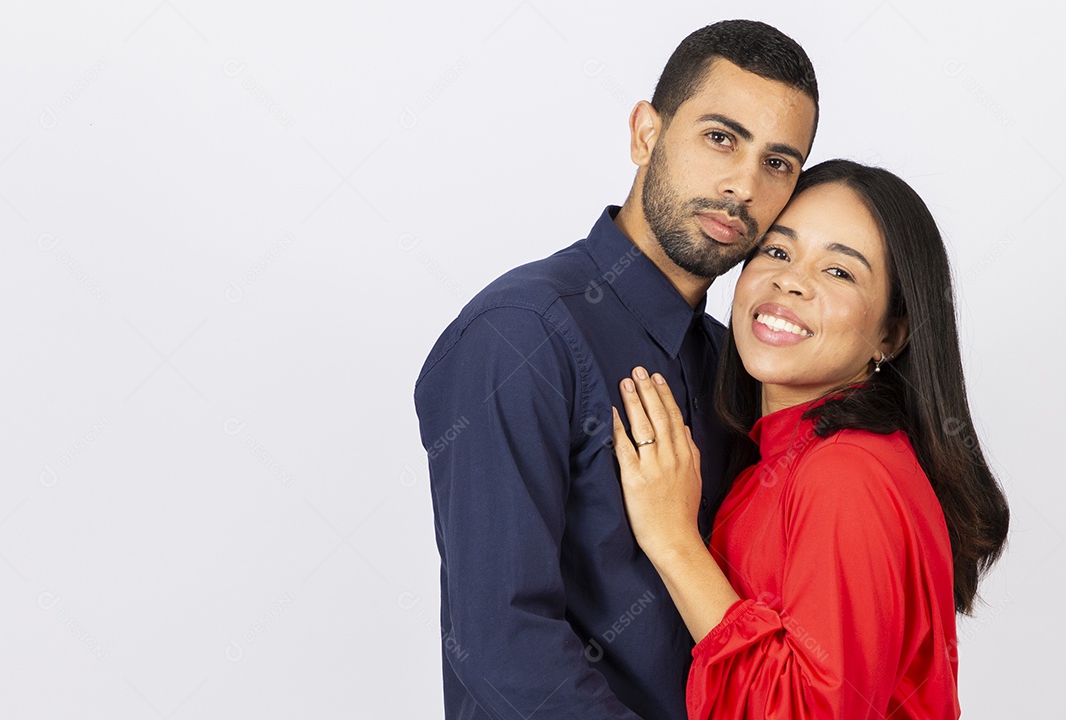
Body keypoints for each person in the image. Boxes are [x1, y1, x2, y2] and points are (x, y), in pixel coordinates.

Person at [413, 20, 818, 719]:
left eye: (777, 163)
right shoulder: (518, 337)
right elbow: (503, 644)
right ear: (645, 134)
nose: (743, 185)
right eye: (721, 138)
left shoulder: (738, 367)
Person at [612, 159, 1010, 718]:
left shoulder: (846, 473)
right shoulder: (784, 458)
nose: (791, 280)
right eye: (776, 252)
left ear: (891, 336)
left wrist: (674, 540)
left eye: (840, 272)